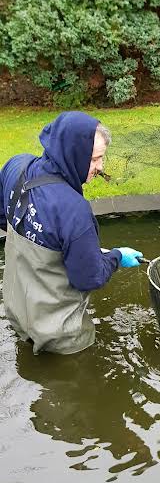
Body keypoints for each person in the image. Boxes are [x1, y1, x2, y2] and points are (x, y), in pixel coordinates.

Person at [0, 111, 143, 355]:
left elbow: (4, 217)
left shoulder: (17, 166)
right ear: (73, 153)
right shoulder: (75, 211)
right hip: (59, 337)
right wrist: (117, 256)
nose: (101, 167)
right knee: (79, 381)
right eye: (96, 159)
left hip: (17, 313)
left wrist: (67, 246)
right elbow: (89, 278)